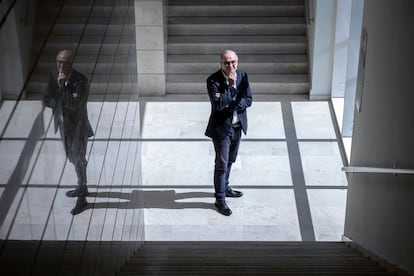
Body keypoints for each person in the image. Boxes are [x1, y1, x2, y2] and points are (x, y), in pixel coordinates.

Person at [43, 49, 94, 215]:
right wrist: (60, 93)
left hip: (78, 126)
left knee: (78, 158)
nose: (61, 65)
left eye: (64, 62)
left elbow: (77, 105)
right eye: (58, 61)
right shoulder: (53, 76)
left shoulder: (80, 80)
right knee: (72, 157)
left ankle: (82, 196)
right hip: (64, 126)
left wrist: (64, 86)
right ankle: (81, 187)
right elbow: (47, 99)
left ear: (72, 63)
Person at [205, 49, 253, 216]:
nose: (231, 66)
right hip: (222, 130)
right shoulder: (213, 80)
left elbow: (248, 99)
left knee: (231, 160)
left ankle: (225, 187)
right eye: (227, 63)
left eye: (233, 62)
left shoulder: (243, 75)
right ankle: (220, 199)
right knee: (221, 164)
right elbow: (218, 105)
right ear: (221, 64)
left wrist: (231, 104)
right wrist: (232, 87)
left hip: (237, 126)